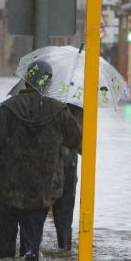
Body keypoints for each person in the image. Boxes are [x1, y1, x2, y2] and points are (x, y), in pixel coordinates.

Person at [0, 60, 81, 261]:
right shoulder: (59, 111)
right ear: (48, 84)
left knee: (5, 233)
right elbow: (76, 141)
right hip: (42, 188)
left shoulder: (9, 108)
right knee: (32, 241)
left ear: (26, 81)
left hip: (8, 187)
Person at [51, 105, 84, 251]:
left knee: (35, 216)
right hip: (67, 167)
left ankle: (30, 255)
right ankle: (64, 251)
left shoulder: (43, 104)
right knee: (64, 218)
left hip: (45, 168)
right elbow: (83, 147)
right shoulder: (79, 108)